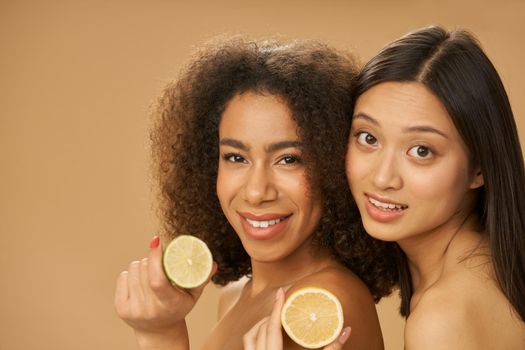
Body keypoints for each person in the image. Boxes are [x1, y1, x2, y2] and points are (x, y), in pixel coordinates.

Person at [114, 38, 398, 350]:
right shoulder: (236, 294)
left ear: (333, 167)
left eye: (289, 159)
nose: (256, 191)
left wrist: (161, 338)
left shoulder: (321, 307)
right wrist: (160, 328)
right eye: (236, 157)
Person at [345, 26, 525, 348]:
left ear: (479, 167)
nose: (383, 178)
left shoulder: (442, 318)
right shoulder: (489, 268)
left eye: (421, 151)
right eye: (368, 138)